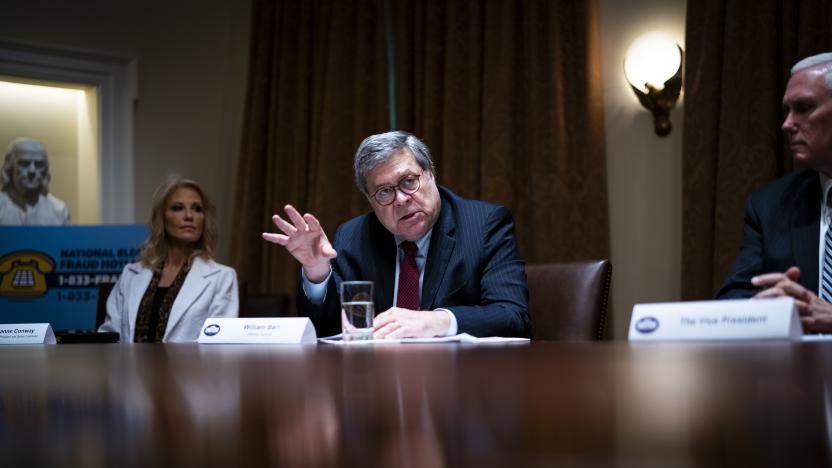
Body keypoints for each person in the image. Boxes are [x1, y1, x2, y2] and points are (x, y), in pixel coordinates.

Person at [263, 130, 530, 338]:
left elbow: (512, 315)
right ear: (371, 201)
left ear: (430, 175)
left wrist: (436, 321)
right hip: (376, 388)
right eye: (384, 192)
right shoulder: (353, 236)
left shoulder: (484, 224)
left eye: (408, 181)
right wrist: (317, 271)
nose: (401, 199)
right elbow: (328, 329)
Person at [718, 52, 832, 333]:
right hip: (795, 373)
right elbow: (733, 301)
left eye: (804, 107)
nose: (786, 124)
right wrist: (768, 309)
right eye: (787, 110)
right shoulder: (771, 205)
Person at [99, 178, 238, 342]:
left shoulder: (221, 277)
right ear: (162, 218)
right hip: (127, 367)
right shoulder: (131, 274)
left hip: (190, 368)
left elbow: (219, 345)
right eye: (178, 208)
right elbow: (109, 337)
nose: (189, 216)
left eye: (197, 209)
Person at [0, 137, 70, 225]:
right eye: (24, 164)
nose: (32, 171)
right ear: (10, 168)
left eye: (39, 165)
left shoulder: (59, 211)